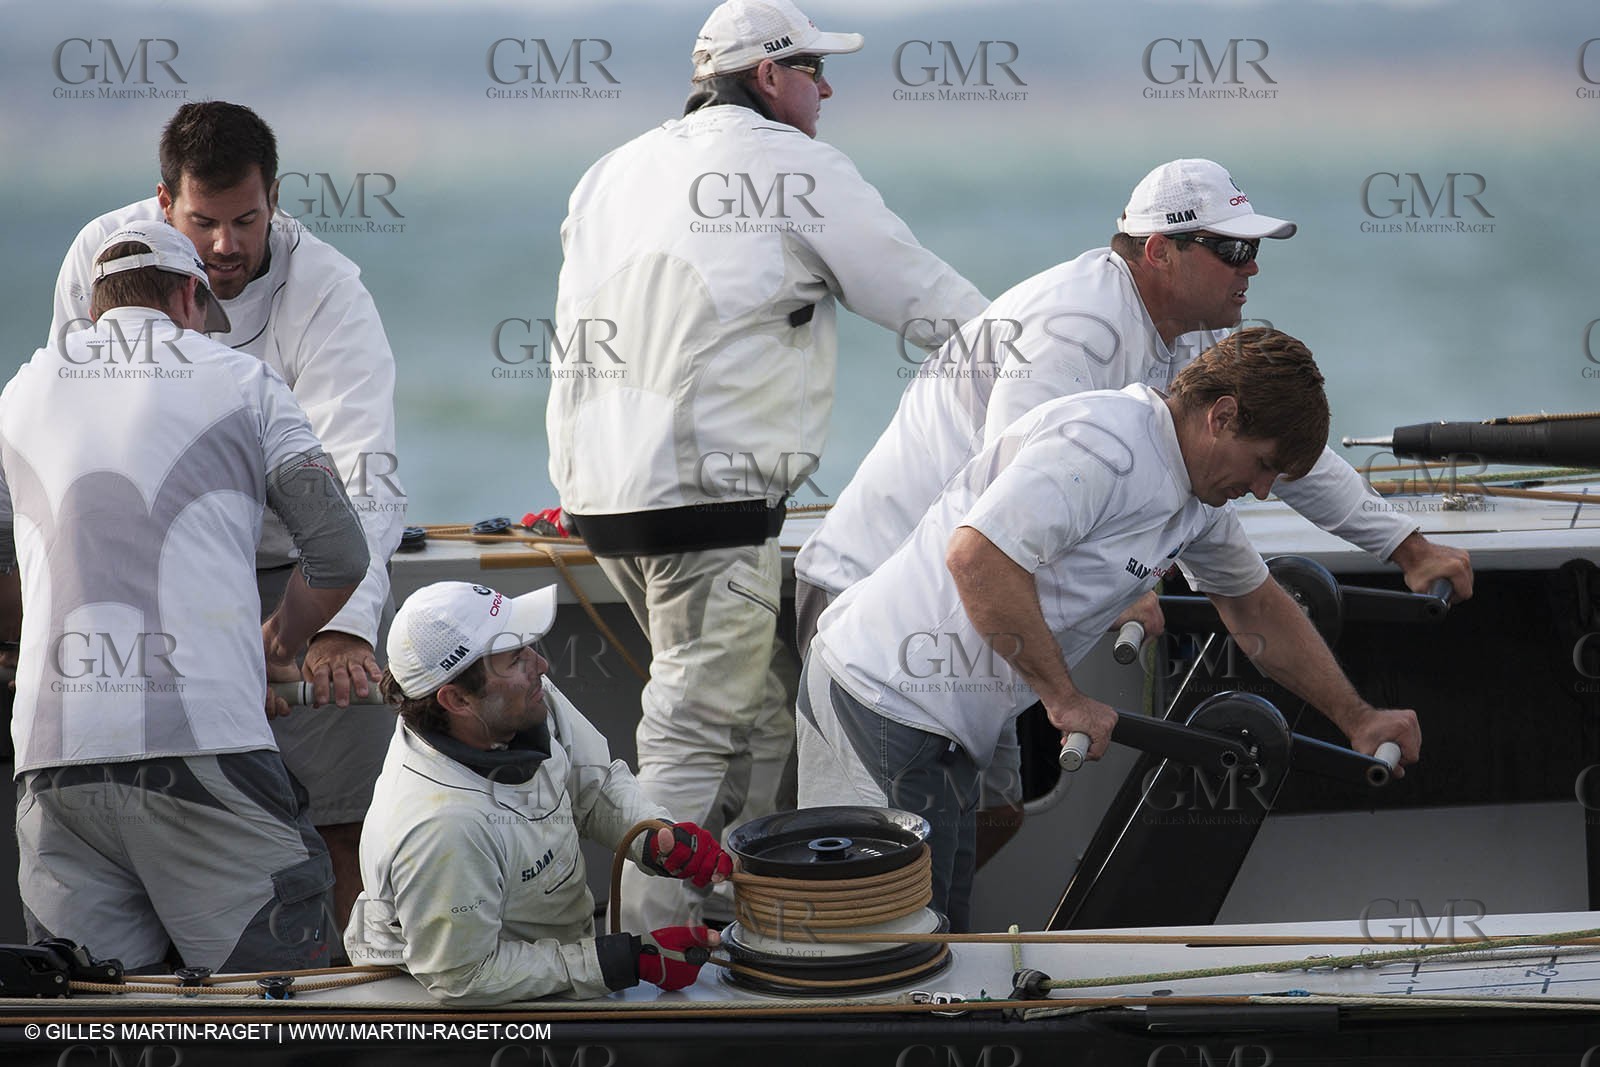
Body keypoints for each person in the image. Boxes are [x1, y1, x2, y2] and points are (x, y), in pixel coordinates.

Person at [793, 158, 1473, 860]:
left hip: (980, 599)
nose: (1251, 267)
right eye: (1232, 249)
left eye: (1254, 249)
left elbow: (1278, 446)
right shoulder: (1075, 328)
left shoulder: (1195, 351)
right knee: (889, 869)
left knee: (992, 818)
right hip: (883, 588)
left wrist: (1403, 547)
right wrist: (1128, 592)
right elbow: (1011, 499)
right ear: (1160, 251)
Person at [545, 0, 989, 931]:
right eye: (814, 70)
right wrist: (1043, 373)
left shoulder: (609, 170)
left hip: (600, 499)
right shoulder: (794, 165)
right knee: (693, 735)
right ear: (769, 76)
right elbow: (929, 302)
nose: (827, 90)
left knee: (757, 714)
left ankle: (740, 915)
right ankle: (645, 952)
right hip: (710, 507)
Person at [796, 328, 1424, 932]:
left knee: (940, 937)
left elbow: (1257, 608)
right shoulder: (1100, 447)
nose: (1261, 491)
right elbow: (977, 558)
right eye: (1262, 466)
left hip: (951, 724)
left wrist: (1357, 718)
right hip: (878, 694)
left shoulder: (1198, 499)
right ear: (1222, 416)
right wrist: (1065, 700)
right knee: (888, 945)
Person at [47, 101, 407, 927]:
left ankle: (350, 978)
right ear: (163, 202)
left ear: (275, 197)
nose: (224, 247)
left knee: (343, 814)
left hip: (299, 566)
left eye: (247, 220)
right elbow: (72, 433)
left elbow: (364, 470)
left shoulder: (329, 289)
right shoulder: (99, 257)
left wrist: (343, 628)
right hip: (146, 567)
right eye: (203, 222)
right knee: (166, 804)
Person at [2, 222, 370, 971]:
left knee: (97, 1010)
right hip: (207, 747)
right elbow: (339, 552)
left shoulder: (19, 392)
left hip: (51, 759)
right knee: (279, 998)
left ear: (96, 307)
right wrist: (278, 645)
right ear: (186, 298)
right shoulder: (242, 380)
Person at [344, 582, 732, 1004]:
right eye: (515, 658)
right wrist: (623, 962)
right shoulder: (442, 826)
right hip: (467, 1008)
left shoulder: (512, 702)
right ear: (456, 699)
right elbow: (463, 975)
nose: (541, 664)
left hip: (543, 974)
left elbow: (593, 784)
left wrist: (652, 837)